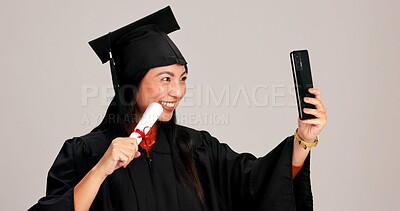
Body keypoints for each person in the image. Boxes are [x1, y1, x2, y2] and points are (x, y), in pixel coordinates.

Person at [29, 6, 327, 211]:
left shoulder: (197, 148)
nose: (177, 91)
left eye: (182, 79)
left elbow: (258, 184)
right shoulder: (85, 152)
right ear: (130, 85)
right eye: (165, 79)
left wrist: (303, 139)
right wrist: (100, 171)